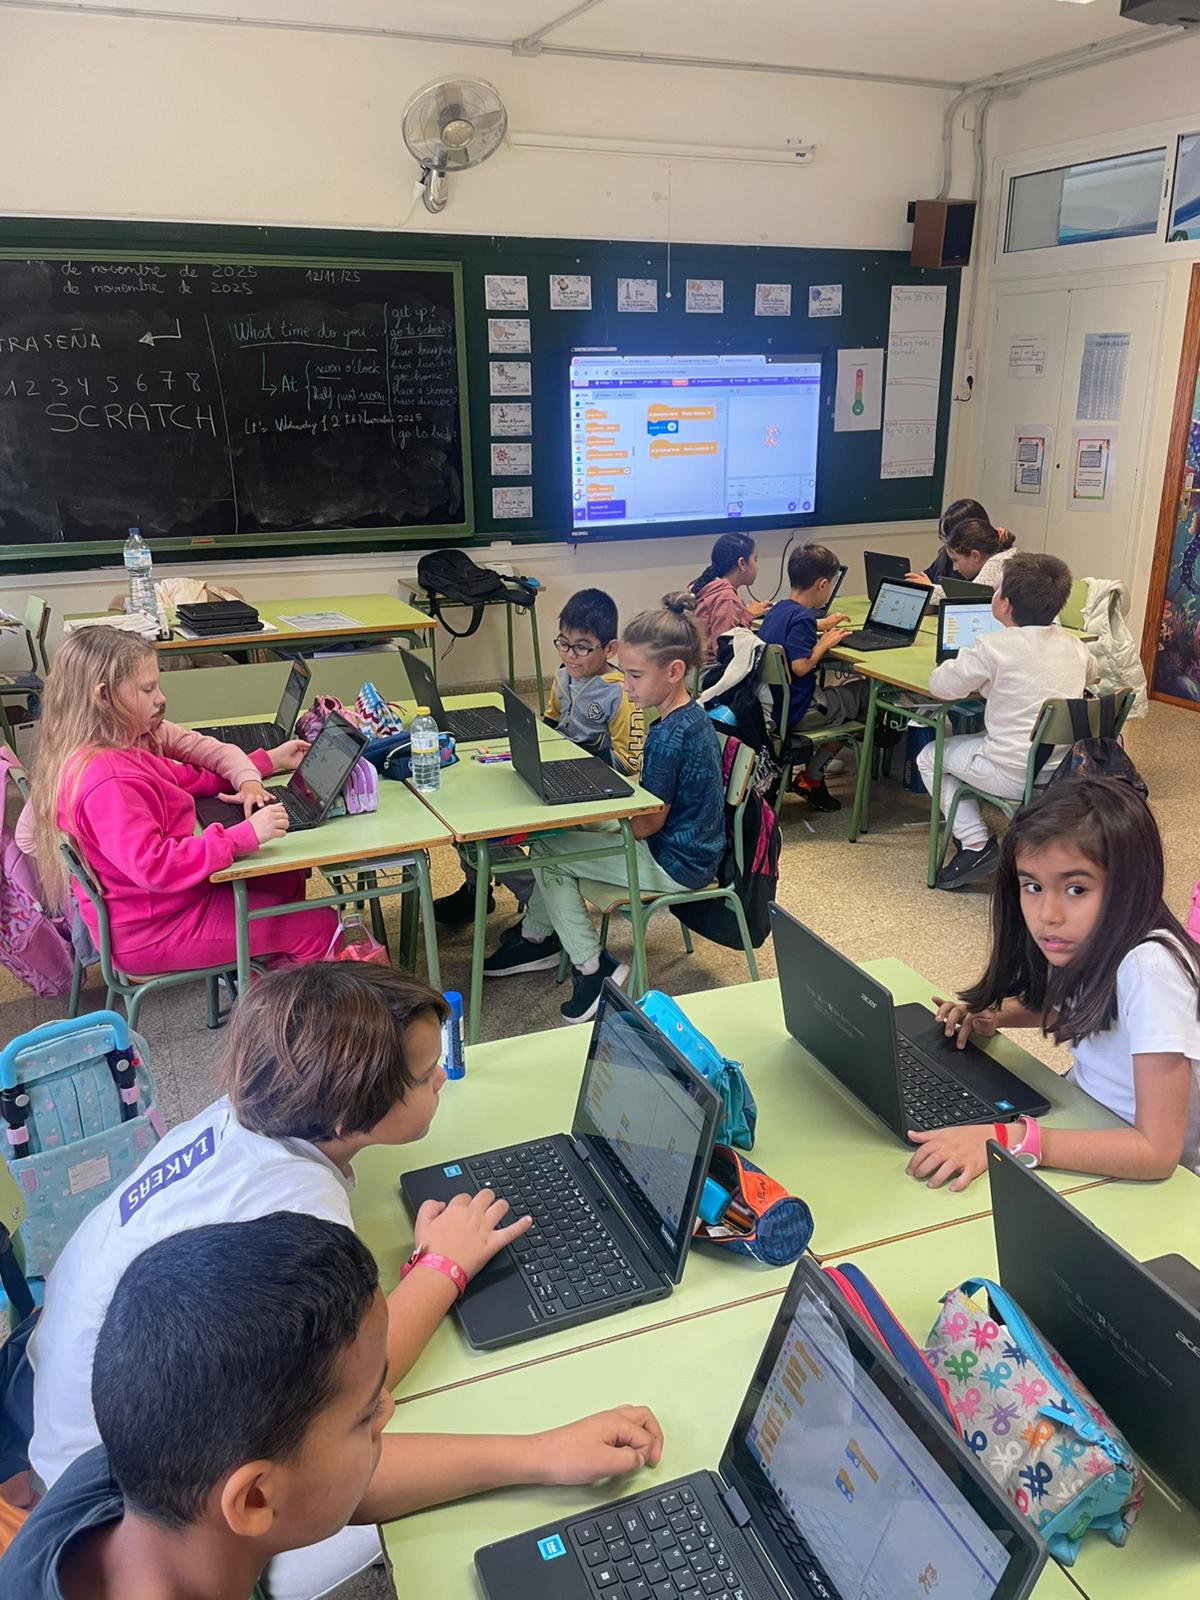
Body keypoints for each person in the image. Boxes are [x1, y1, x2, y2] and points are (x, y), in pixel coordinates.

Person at [27, 964, 660, 1600]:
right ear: (347, 1109)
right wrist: (443, 1267)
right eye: (424, 1075)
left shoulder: (246, 1114)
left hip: (79, 1417)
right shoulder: (293, 1209)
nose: (441, 1078)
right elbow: (361, 1372)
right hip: (120, 1457)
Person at [5, 1213, 665, 1600]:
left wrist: (539, 1454)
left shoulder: (140, 1473)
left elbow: (325, 1483)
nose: (388, 1411)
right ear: (253, 1499)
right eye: (365, 1415)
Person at [907, 778, 1200, 1192]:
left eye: (1076, 889)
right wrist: (996, 1014)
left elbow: (1158, 1153)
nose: (1048, 914)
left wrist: (1010, 1139)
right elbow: (1092, 1012)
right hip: (1088, 1117)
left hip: (1146, 1176)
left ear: (1130, 884)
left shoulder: (1150, 968)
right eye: (1033, 886)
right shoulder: (1094, 939)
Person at [26, 626, 335, 975]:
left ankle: (268, 977)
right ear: (104, 696)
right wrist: (241, 837)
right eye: (148, 689)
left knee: (285, 875)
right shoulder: (108, 779)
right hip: (153, 929)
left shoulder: (121, 745)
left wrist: (264, 763)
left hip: (164, 904)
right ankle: (294, 992)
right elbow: (154, 866)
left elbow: (185, 780)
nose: (161, 698)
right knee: (320, 926)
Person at [483, 594, 725, 1023]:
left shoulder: (668, 737)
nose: (626, 686)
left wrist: (598, 823)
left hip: (676, 862)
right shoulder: (688, 717)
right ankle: (537, 938)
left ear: (674, 672)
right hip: (685, 846)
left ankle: (594, 968)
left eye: (635, 676)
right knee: (562, 838)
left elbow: (648, 824)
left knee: (550, 852)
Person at [433, 588, 643, 928]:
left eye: (582, 647)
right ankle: (477, 889)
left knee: (488, 833)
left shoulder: (619, 693)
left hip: (591, 795)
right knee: (471, 808)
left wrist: (580, 755)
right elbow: (551, 724)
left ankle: (539, 901)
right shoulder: (563, 677)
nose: (571, 656)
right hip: (557, 776)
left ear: (610, 648)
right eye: (563, 644)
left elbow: (629, 763)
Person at [918, 553, 1094, 889]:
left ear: (1005, 604)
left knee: (928, 757)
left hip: (1012, 773)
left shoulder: (991, 646)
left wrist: (981, 678)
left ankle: (975, 843)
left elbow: (941, 687)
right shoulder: (1075, 645)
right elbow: (1090, 674)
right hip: (1064, 769)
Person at [756, 543, 859, 813]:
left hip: (774, 706)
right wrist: (824, 643)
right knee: (863, 697)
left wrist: (819, 626)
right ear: (823, 584)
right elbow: (801, 666)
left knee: (842, 691)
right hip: (798, 710)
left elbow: (792, 634)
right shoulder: (803, 617)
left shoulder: (779, 609)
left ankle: (810, 775)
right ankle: (812, 777)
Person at [689, 533, 770, 657]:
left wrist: (746, 613)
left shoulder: (710, 587)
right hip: (712, 667)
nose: (757, 567)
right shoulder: (726, 597)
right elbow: (725, 651)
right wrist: (747, 614)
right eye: (755, 559)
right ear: (742, 563)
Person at [908, 516, 1016, 600]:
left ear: (975, 556)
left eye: (956, 560)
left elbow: (971, 595)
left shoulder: (998, 562)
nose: (954, 568)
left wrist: (929, 589)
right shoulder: (1004, 557)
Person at [918, 497, 1007, 584]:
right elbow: (925, 577)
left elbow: (965, 592)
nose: (947, 544)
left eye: (949, 537)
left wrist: (931, 588)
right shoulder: (947, 555)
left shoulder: (992, 568)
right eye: (944, 538)